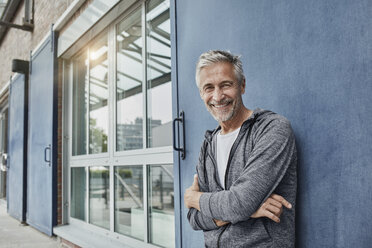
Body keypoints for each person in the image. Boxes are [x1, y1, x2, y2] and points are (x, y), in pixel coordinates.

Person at [184, 50, 297, 247]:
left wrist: (194, 198)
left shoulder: (272, 129)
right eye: (208, 88)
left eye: (226, 85)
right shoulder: (208, 144)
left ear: (242, 85)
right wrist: (245, 210)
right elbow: (193, 218)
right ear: (201, 93)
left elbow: (239, 204)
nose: (218, 97)